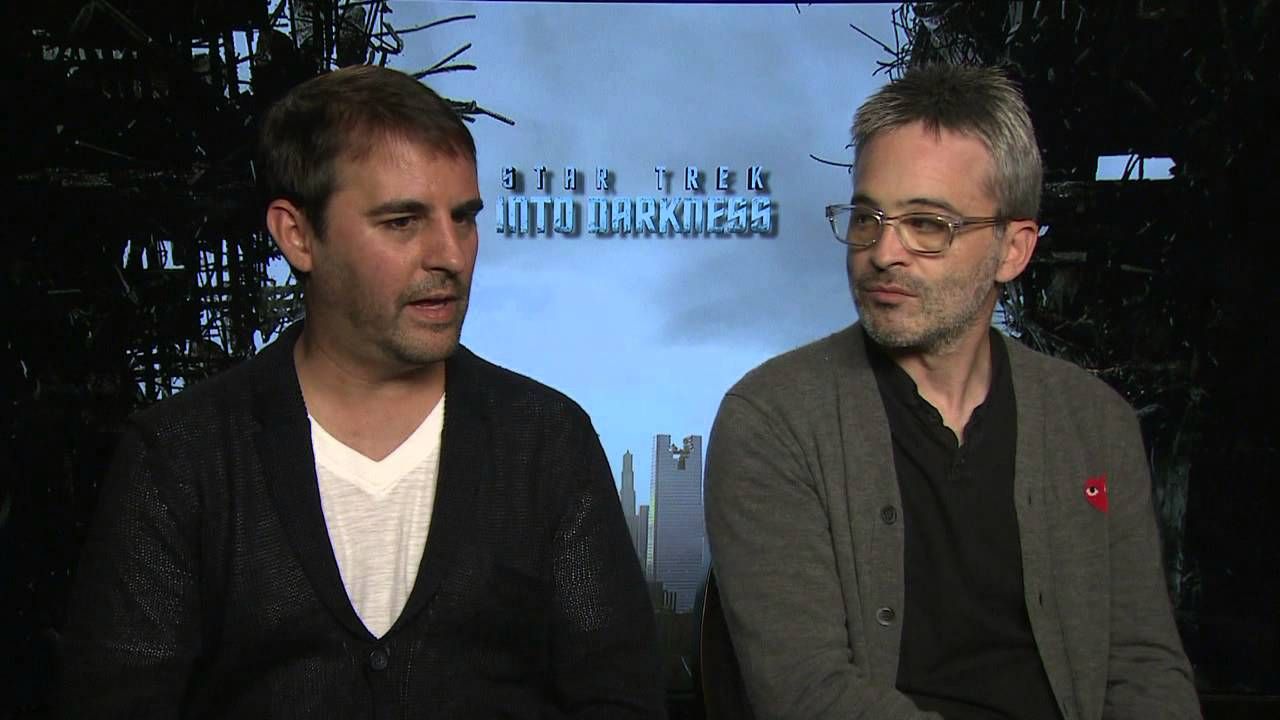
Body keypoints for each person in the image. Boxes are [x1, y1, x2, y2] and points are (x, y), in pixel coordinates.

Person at [60, 65, 664, 718]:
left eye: (463, 218)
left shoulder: (546, 441)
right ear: (298, 236)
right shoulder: (181, 457)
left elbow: (620, 700)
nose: (451, 255)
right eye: (402, 222)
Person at [704, 64, 1200, 720]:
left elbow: (1146, 668)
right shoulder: (774, 420)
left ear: (1013, 249)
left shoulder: (1096, 424)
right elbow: (807, 693)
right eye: (866, 216)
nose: (883, 251)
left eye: (928, 224)